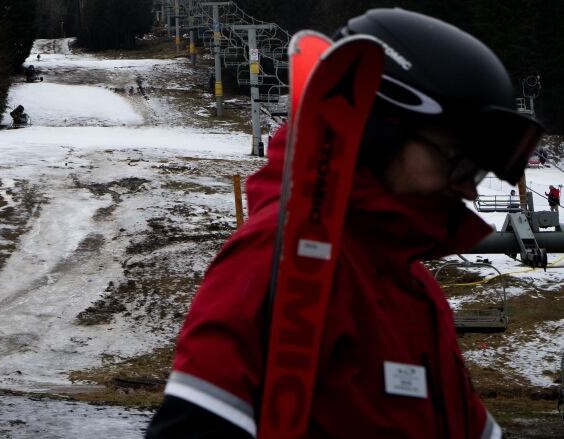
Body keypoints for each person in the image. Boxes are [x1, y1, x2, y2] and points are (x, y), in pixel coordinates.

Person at [146, 8, 543, 439]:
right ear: (375, 133)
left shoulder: (415, 292)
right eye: (457, 162)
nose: (468, 191)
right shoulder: (271, 264)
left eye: (478, 173)